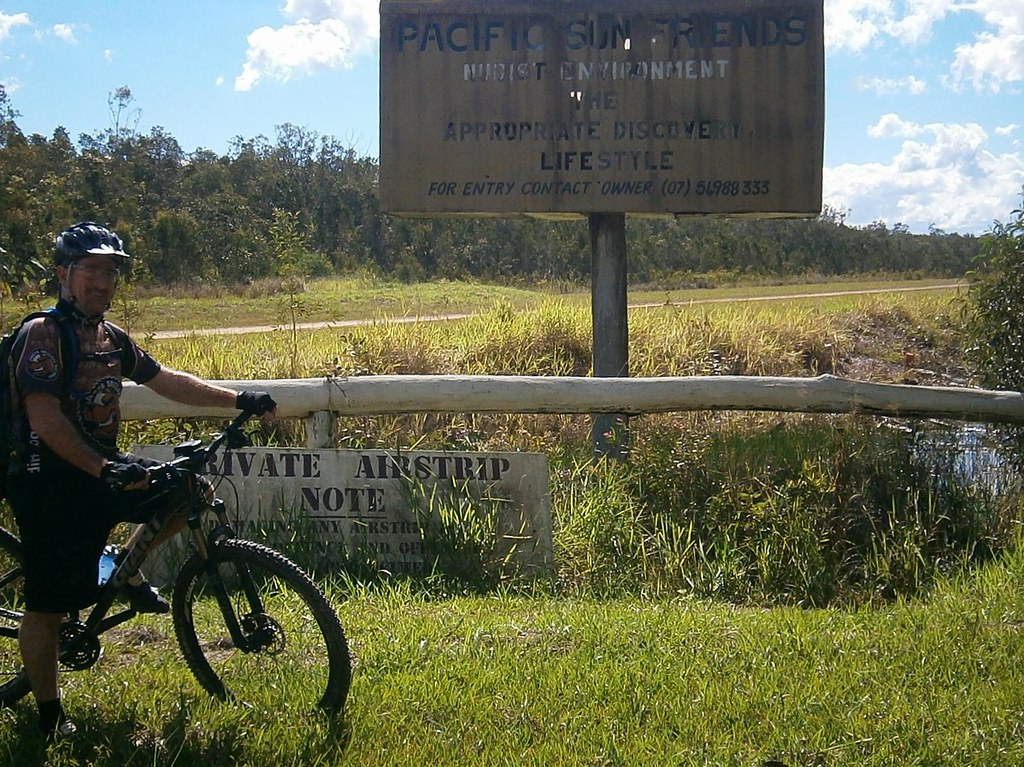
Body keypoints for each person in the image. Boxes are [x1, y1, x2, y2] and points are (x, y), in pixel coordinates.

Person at [4, 221, 278, 739]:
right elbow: (45, 419)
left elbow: (167, 380)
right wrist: (105, 468)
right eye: (90, 271)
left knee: (188, 492)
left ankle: (127, 572)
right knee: (49, 605)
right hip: (48, 480)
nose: (102, 283)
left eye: (110, 272)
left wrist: (238, 398)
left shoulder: (108, 336)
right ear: (63, 275)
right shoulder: (43, 334)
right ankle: (48, 714)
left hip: (101, 467)